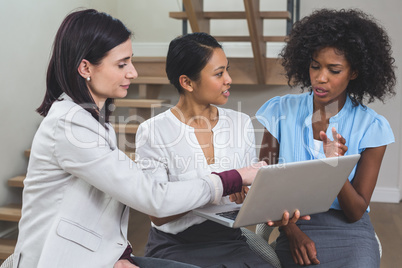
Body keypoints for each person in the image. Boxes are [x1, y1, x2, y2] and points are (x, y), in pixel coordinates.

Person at [12, 9, 270, 268]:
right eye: (122, 64)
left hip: (95, 254)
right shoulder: (72, 127)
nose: (133, 73)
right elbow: (153, 199)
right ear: (85, 68)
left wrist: (119, 254)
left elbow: (104, 205)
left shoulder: (92, 122)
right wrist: (231, 178)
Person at [135, 32, 309, 268]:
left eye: (227, 69)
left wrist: (271, 208)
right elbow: (158, 211)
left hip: (230, 241)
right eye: (219, 74)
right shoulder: (153, 131)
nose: (228, 79)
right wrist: (224, 184)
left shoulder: (240, 123)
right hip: (176, 246)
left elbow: (246, 191)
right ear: (187, 82)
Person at [256, 8, 396, 268]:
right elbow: (265, 189)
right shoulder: (280, 111)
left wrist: (335, 168)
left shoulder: (372, 127)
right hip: (295, 224)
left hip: (350, 231)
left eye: (334, 70)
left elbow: (355, 212)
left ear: (353, 73)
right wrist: (293, 233)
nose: (320, 78)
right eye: (315, 66)